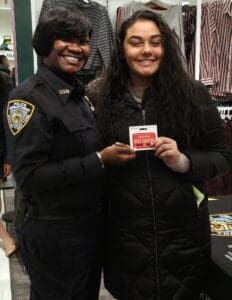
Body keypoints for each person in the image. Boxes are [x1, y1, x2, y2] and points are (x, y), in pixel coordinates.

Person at [86, 10, 232, 300]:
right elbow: (87, 163)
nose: (146, 51)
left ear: (165, 47)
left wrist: (183, 161)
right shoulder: (98, 96)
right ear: (122, 49)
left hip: (184, 237)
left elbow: (223, 157)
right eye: (136, 42)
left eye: (155, 42)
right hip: (125, 238)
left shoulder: (192, 94)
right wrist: (104, 158)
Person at [4, 7, 135, 300]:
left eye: (84, 40)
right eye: (66, 39)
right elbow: (31, 176)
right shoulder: (27, 99)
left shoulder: (78, 95)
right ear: (46, 42)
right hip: (55, 232)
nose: (78, 48)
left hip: (87, 228)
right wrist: (100, 160)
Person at [0, 71, 16, 257]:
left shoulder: (4, 81)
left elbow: (9, 121)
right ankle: (5, 237)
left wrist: (8, 157)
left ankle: (6, 237)